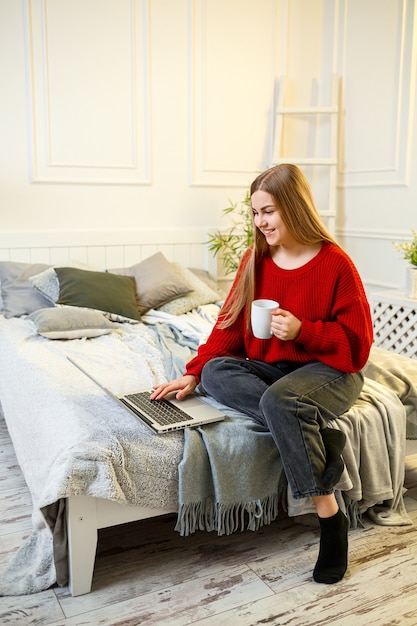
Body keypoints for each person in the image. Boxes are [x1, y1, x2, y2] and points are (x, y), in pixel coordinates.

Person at [151, 163, 374, 584]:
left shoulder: (335, 264)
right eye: (255, 213)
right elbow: (230, 325)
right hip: (274, 370)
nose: (260, 222)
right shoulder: (257, 260)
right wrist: (195, 373)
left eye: (268, 211)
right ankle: (316, 434)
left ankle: (331, 519)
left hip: (330, 372)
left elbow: (358, 347)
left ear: (293, 206)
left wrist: (305, 331)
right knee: (218, 371)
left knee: (279, 401)